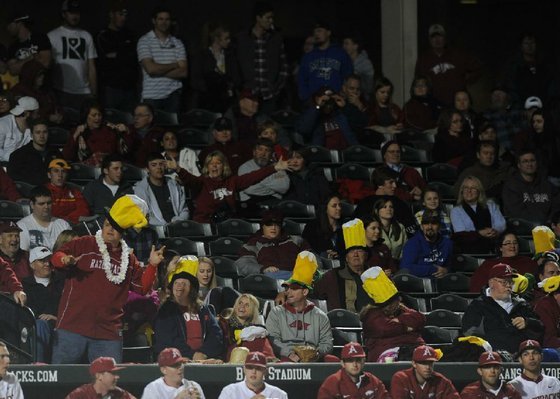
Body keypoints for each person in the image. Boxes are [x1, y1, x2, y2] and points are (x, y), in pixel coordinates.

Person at [50, 195, 165, 363]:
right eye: (107, 225)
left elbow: (142, 288)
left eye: (116, 228)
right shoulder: (84, 244)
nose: (110, 230)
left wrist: (153, 265)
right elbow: (56, 256)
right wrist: (64, 260)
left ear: (123, 233)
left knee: (108, 384)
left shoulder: (128, 259)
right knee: (62, 380)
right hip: (72, 327)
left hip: (108, 333)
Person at [266, 251, 333, 362]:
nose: (289, 292)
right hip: (286, 358)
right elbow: (273, 340)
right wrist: (290, 354)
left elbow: (327, 343)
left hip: (313, 359)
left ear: (305, 292)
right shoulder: (276, 313)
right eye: (287, 288)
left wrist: (314, 353)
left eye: (294, 288)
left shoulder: (320, 316)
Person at [154, 256, 224, 362]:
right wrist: (192, 355)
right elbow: (166, 339)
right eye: (176, 283)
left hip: (204, 358)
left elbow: (216, 334)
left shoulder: (202, 309)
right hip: (178, 359)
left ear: (191, 289)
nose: (179, 286)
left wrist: (203, 353)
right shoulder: (166, 310)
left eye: (184, 284)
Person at [462, 264, 543, 354]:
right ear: (491, 283)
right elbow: (471, 335)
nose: (508, 286)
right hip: (491, 357)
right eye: (504, 282)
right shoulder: (478, 306)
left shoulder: (521, 304)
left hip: (522, 357)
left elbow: (540, 327)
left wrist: (528, 322)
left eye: (510, 282)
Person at [360, 267, 426, 362]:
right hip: (386, 353)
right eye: (395, 300)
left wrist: (398, 320)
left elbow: (420, 318)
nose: (399, 301)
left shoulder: (401, 308)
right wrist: (406, 328)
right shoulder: (371, 314)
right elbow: (383, 328)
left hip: (414, 348)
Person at [234, 1, 289, 114]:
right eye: (268, 18)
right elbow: (235, 64)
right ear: (258, 18)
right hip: (248, 94)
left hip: (269, 94)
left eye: (272, 18)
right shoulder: (242, 38)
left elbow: (284, 65)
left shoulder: (276, 38)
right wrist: (240, 88)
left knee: (267, 128)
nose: (271, 21)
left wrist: (276, 88)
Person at [313, 218, 372, 313]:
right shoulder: (332, 276)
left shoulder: (375, 276)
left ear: (366, 255)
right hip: (340, 324)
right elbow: (311, 292)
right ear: (346, 257)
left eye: (359, 250)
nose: (356, 254)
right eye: (351, 251)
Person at [414, 24, 481, 106]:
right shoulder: (424, 59)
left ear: (445, 38)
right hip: (434, 104)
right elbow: (418, 80)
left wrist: (465, 81)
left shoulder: (458, 55)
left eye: (440, 36)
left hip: (457, 104)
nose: (437, 40)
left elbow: (477, 68)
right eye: (433, 37)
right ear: (429, 40)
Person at [137, 6, 187, 115]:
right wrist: (174, 65)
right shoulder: (144, 41)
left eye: (167, 19)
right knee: (151, 130)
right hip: (152, 95)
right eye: (160, 19)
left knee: (172, 130)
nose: (164, 22)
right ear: (154, 21)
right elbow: (151, 69)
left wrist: (158, 70)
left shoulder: (177, 43)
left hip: (173, 95)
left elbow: (183, 72)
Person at [48, 0, 97, 109]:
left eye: (77, 13)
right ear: (63, 14)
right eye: (71, 13)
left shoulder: (86, 36)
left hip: (84, 92)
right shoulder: (52, 36)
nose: (75, 16)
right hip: (61, 91)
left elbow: (91, 67)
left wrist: (93, 93)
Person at [235, 209, 312, 279]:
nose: (273, 228)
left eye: (277, 224)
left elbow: (313, 259)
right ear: (263, 226)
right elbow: (244, 264)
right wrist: (263, 269)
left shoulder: (296, 240)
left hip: (298, 276)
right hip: (270, 278)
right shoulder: (253, 244)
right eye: (269, 224)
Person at [21, 246, 64, 363]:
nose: (47, 264)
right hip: (36, 326)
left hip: (61, 324)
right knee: (40, 325)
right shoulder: (24, 285)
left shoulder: (62, 282)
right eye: (42, 261)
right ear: (32, 265)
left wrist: (56, 318)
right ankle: (39, 366)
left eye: (49, 260)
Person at [95, 1, 138, 113]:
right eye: (120, 14)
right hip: (110, 88)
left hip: (129, 88)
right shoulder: (102, 36)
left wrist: (117, 55)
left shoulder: (130, 35)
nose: (123, 18)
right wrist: (124, 55)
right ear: (111, 14)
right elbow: (103, 61)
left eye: (125, 15)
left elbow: (134, 59)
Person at [353, 166, 418, 237]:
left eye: (395, 182)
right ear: (379, 184)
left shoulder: (399, 202)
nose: (395, 186)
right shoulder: (365, 204)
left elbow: (411, 228)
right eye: (391, 182)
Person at [297, 20, 353, 102]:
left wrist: (343, 95)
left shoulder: (340, 54)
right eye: (315, 32)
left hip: (336, 101)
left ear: (328, 33)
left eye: (319, 31)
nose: (316, 34)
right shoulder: (308, 57)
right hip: (314, 102)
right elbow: (302, 79)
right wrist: (307, 98)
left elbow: (348, 75)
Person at [450, 175, 506, 254]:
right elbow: (461, 233)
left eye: (473, 188)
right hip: (469, 248)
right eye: (466, 188)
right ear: (462, 191)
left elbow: (501, 224)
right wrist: (480, 233)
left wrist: (494, 231)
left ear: (479, 191)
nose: (469, 191)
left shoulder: (490, 204)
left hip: (493, 243)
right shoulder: (456, 211)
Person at [502, 149, 560, 224]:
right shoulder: (511, 186)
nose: (529, 164)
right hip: (523, 227)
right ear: (519, 165)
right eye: (525, 161)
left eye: (532, 160)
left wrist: (550, 220)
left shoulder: (547, 185)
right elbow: (517, 212)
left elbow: (557, 206)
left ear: (537, 163)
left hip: (549, 224)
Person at [63, 100, 127, 166]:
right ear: (86, 116)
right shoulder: (77, 132)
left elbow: (122, 152)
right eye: (94, 115)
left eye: (99, 115)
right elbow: (67, 156)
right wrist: (75, 135)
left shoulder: (110, 130)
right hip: (86, 170)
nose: (97, 118)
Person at [470, 231, 538, 293]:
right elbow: (476, 287)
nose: (512, 246)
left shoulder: (528, 262)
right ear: (500, 248)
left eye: (515, 243)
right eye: (508, 243)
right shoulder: (489, 265)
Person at [133, 152, 189, 226]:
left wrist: (177, 222)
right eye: (154, 165)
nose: (158, 167)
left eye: (161, 164)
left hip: (178, 227)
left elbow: (184, 210)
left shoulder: (174, 185)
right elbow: (143, 215)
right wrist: (164, 226)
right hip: (155, 230)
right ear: (147, 169)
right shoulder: (140, 189)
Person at [317, 342, 389, 399]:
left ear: (363, 362)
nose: (354, 364)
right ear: (343, 363)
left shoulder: (373, 381)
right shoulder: (332, 383)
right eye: (350, 361)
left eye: (358, 360)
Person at [295, 86, 358, 150]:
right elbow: (303, 129)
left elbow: (359, 125)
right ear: (317, 99)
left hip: (345, 153)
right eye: (324, 101)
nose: (328, 105)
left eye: (331, 101)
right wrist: (317, 107)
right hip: (322, 155)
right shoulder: (311, 114)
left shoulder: (340, 114)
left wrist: (345, 107)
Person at [218, 293, 276, 362]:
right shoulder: (224, 324)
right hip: (229, 356)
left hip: (250, 358)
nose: (242, 306)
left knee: (259, 337)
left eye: (247, 305)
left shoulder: (255, 329)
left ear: (252, 310)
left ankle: (269, 360)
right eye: (240, 303)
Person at [190, 23, 234, 113]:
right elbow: (195, 78)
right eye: (226, 38)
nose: (229, 41)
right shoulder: (202, 56)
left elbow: (234, 76)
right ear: (217, 39)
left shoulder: (229, 56)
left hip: (225, 100)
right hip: (206, 100)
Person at [390, 345, 460, 399]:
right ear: (414, 364)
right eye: (423, 363)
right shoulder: (401, 378)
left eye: (430, 363)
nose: (427, 367)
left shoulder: (441, 381)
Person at [238, 138, 290, 208]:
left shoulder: (278, 166)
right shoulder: (245, 167)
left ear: (271, 154)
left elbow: (284, 188)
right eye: (260, 149)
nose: (263, 154)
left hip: (273, 201)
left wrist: (258, 180)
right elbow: (249, 190)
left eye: (267, 150)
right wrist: (273, 190)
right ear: (254, 152)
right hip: (251, 202)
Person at [400, 210, 453, 278]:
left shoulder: (447, 243)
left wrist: (446, 270)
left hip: (442, 283)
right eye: (426, 223)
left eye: (434, 223)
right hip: (419, 282)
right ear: (422, 226)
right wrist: (433, 270)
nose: (430, 227)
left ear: (439, 226)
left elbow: (451, 266)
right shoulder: (412, 243)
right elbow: (405, 267)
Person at [7, 118, 60, 186]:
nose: (42, 136)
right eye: (38, 132)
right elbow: (14, 181)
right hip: (29, 193)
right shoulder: (18, 155)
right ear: (32, 135)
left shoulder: (56, 152)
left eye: (45, 132)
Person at [17, 186, 71, 251]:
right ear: (32, 205)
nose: (46, 207)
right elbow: (23, 255)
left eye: (49, 203)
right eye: (41, 204)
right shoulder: (22, 226)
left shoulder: (63, 225)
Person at [218, 351, 287, 399]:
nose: (254, 371)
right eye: (250, 367)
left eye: (258, 368)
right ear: (244, 369)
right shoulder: (230, 391)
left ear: (265, 371)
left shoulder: (279, 395)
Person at [141, 347, 205, 399]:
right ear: (163, 370)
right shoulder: (153, 389)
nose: (180, 368)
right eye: (174, 366)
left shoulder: (193, 386)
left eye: (180, 364)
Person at [66, 356, 135, 399]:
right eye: (112, 373)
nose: (117, 377)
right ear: (99, 376)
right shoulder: (80, 394)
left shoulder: (119, 394)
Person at [46, 158, 90, 224]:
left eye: (63, 171)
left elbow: (84, 211)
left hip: (72, 226)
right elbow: (49, 212)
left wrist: (66, 219)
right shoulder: (43, 191)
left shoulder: (74, 192)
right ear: (49, 175)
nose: (60, 175)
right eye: (56, 171)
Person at [302, 193, 344, 259]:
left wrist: (339, 255)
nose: (339, 208)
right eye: (334, 206)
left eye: (339, 205)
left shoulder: (345, 226)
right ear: (325, 208)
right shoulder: (312, 227)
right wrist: (324, 254)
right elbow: (307, 248)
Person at [0, 96, 39, 162]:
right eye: (36, 113)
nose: (38, 116)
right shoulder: (3, 124)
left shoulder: (32, 128)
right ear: (27, 114)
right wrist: (14, 159)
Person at [342, 32, 374, 98]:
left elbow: (369, 86)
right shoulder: (344, 62)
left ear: (355, 46)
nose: (344, 47)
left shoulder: (365, 63)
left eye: (347, 44)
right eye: (343, 44)